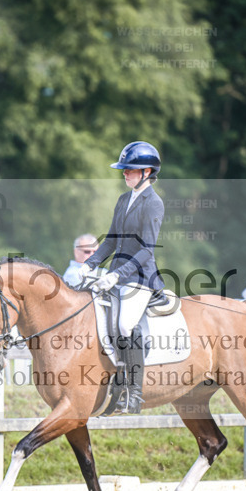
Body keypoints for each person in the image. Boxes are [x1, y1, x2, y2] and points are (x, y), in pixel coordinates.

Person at [82, 141, 165, 414]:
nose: (124, 174)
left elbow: (146, 250)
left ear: (147, 172)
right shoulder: (123, 199)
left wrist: (117, 276)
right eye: (124, 170)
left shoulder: (154, 203)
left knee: (125, 326)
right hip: (114, 274)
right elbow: (111, 241)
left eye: (129, 170)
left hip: (139, 277)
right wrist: (90, 264)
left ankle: (134, 394)